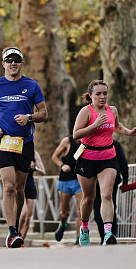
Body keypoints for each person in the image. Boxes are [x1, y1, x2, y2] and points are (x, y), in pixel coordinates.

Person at [0, 46, 48, 248]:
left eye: (16, 60)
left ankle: (15, 226)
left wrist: (29, 117)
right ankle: (11, 231)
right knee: (8, 186)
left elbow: (44, 113)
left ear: (21, 64)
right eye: (9, 60)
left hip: (25, 142)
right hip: (4, 141)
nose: (12, 63)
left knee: (19, 189)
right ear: (3, 64)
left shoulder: (32, 85)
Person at [73, 79, 136, 246]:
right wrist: (94, 125)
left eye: (105, 93)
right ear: (91, 96)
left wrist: (127, 132)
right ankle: (84, 228)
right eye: (98, 94)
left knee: (107, 195)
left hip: (108, 157)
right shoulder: (86, 112)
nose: (102, 97)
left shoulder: (112, 110)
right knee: (88, 198)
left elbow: (116, 125)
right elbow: (76, 134)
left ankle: (108, 233)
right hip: (87, 158)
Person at [93, 139, 129, 244]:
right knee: (99, 211)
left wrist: (125, 181)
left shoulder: (114, 144)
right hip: (94, 182)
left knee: (108, 207)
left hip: (111, 180)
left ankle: (110, 236)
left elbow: (122, 162)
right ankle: (104, 237)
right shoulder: (87, 143)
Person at [51, 135, 82, 245]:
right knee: (65, 212)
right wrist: (62, 165)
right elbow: (54, 156)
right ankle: (63, 224)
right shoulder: (67, 141)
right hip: (66, 180)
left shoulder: (88, 143)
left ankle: (79, 238)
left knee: (80, 211)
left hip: (80, 180)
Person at [19, 150, 45, 242]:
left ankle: (21, 241)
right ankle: (14, 236)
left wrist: (35, 168)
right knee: (22, 214)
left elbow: (43, 172)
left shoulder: (34, 153)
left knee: (28, 217)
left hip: (30, 185)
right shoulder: (16, 151)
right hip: (19, 185)